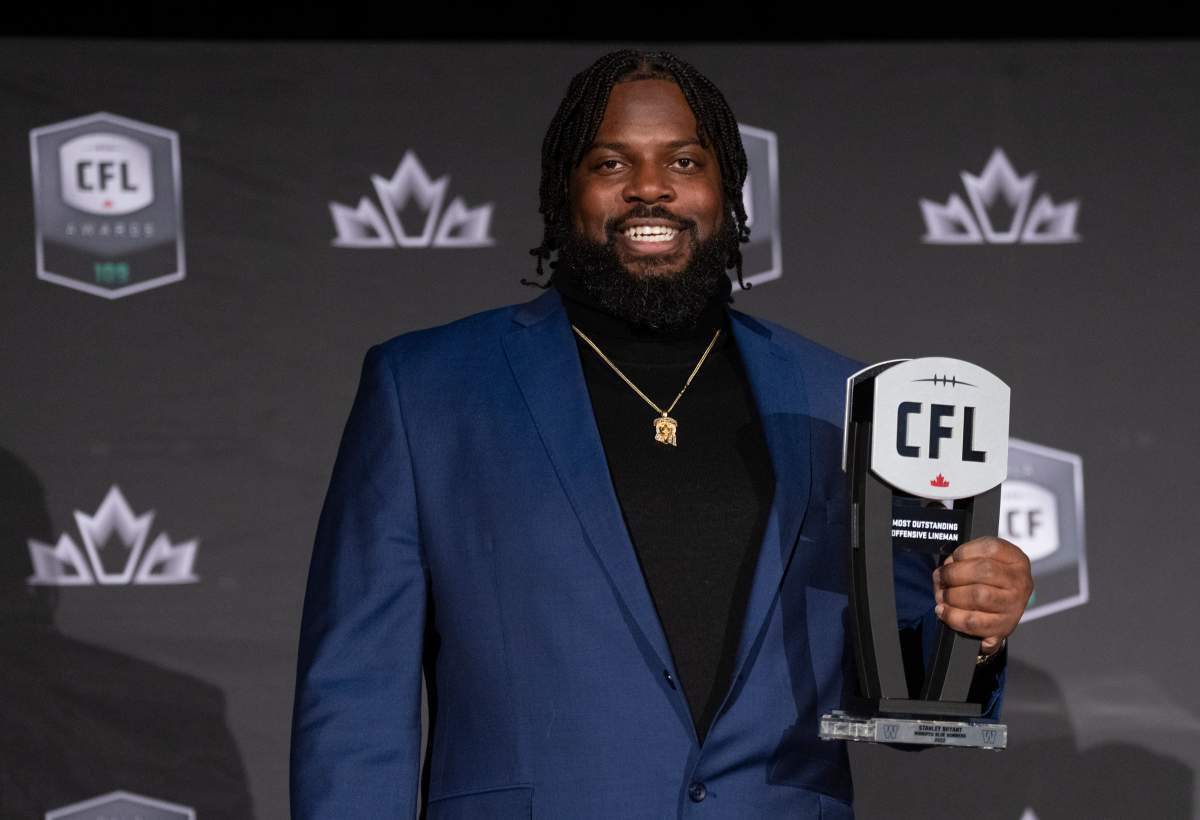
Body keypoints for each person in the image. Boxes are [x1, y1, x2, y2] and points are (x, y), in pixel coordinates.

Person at [290, 49, 1034, 819]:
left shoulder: (839, 397)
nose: (650, 186)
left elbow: (905, 700)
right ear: (563, 191)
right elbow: (355, 698)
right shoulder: (427, 386)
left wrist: (974, 631)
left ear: (727, 190)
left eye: (683, 159)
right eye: (611, 162)